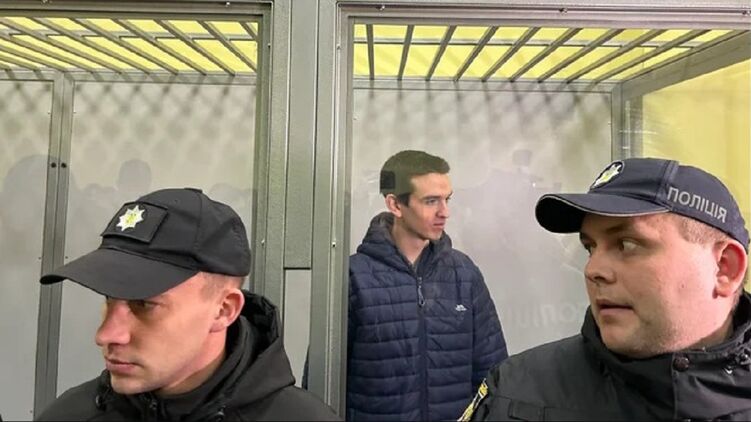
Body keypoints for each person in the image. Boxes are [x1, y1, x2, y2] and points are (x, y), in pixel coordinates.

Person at [463, 157, 751, 421]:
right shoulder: (515, 393)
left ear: (725, 268)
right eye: (590, 247)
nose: (592, 270)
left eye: (627, 244)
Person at [36, 188, 339, 421]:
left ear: (224, 310)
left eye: (144, 304)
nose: (105, 335)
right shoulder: (67, 415)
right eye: (108, 299)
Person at [347, 150, 507, 421]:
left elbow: (493, 374)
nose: (445, 212)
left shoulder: (464, 274)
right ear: (395, 205)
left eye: (447, 199)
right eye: (431, 201)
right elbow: (323, 383)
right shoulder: (355, 277)